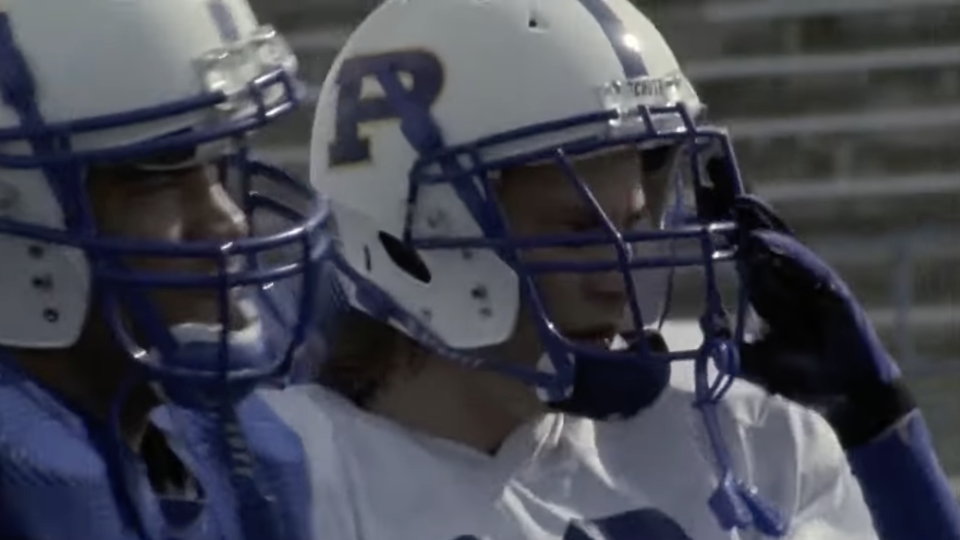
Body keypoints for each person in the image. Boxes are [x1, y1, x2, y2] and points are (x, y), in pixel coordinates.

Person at [0, 0, 330, 539]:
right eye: (155, 176)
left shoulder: (231, 450)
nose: (230, 223)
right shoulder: (25, 476)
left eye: (216, 163)